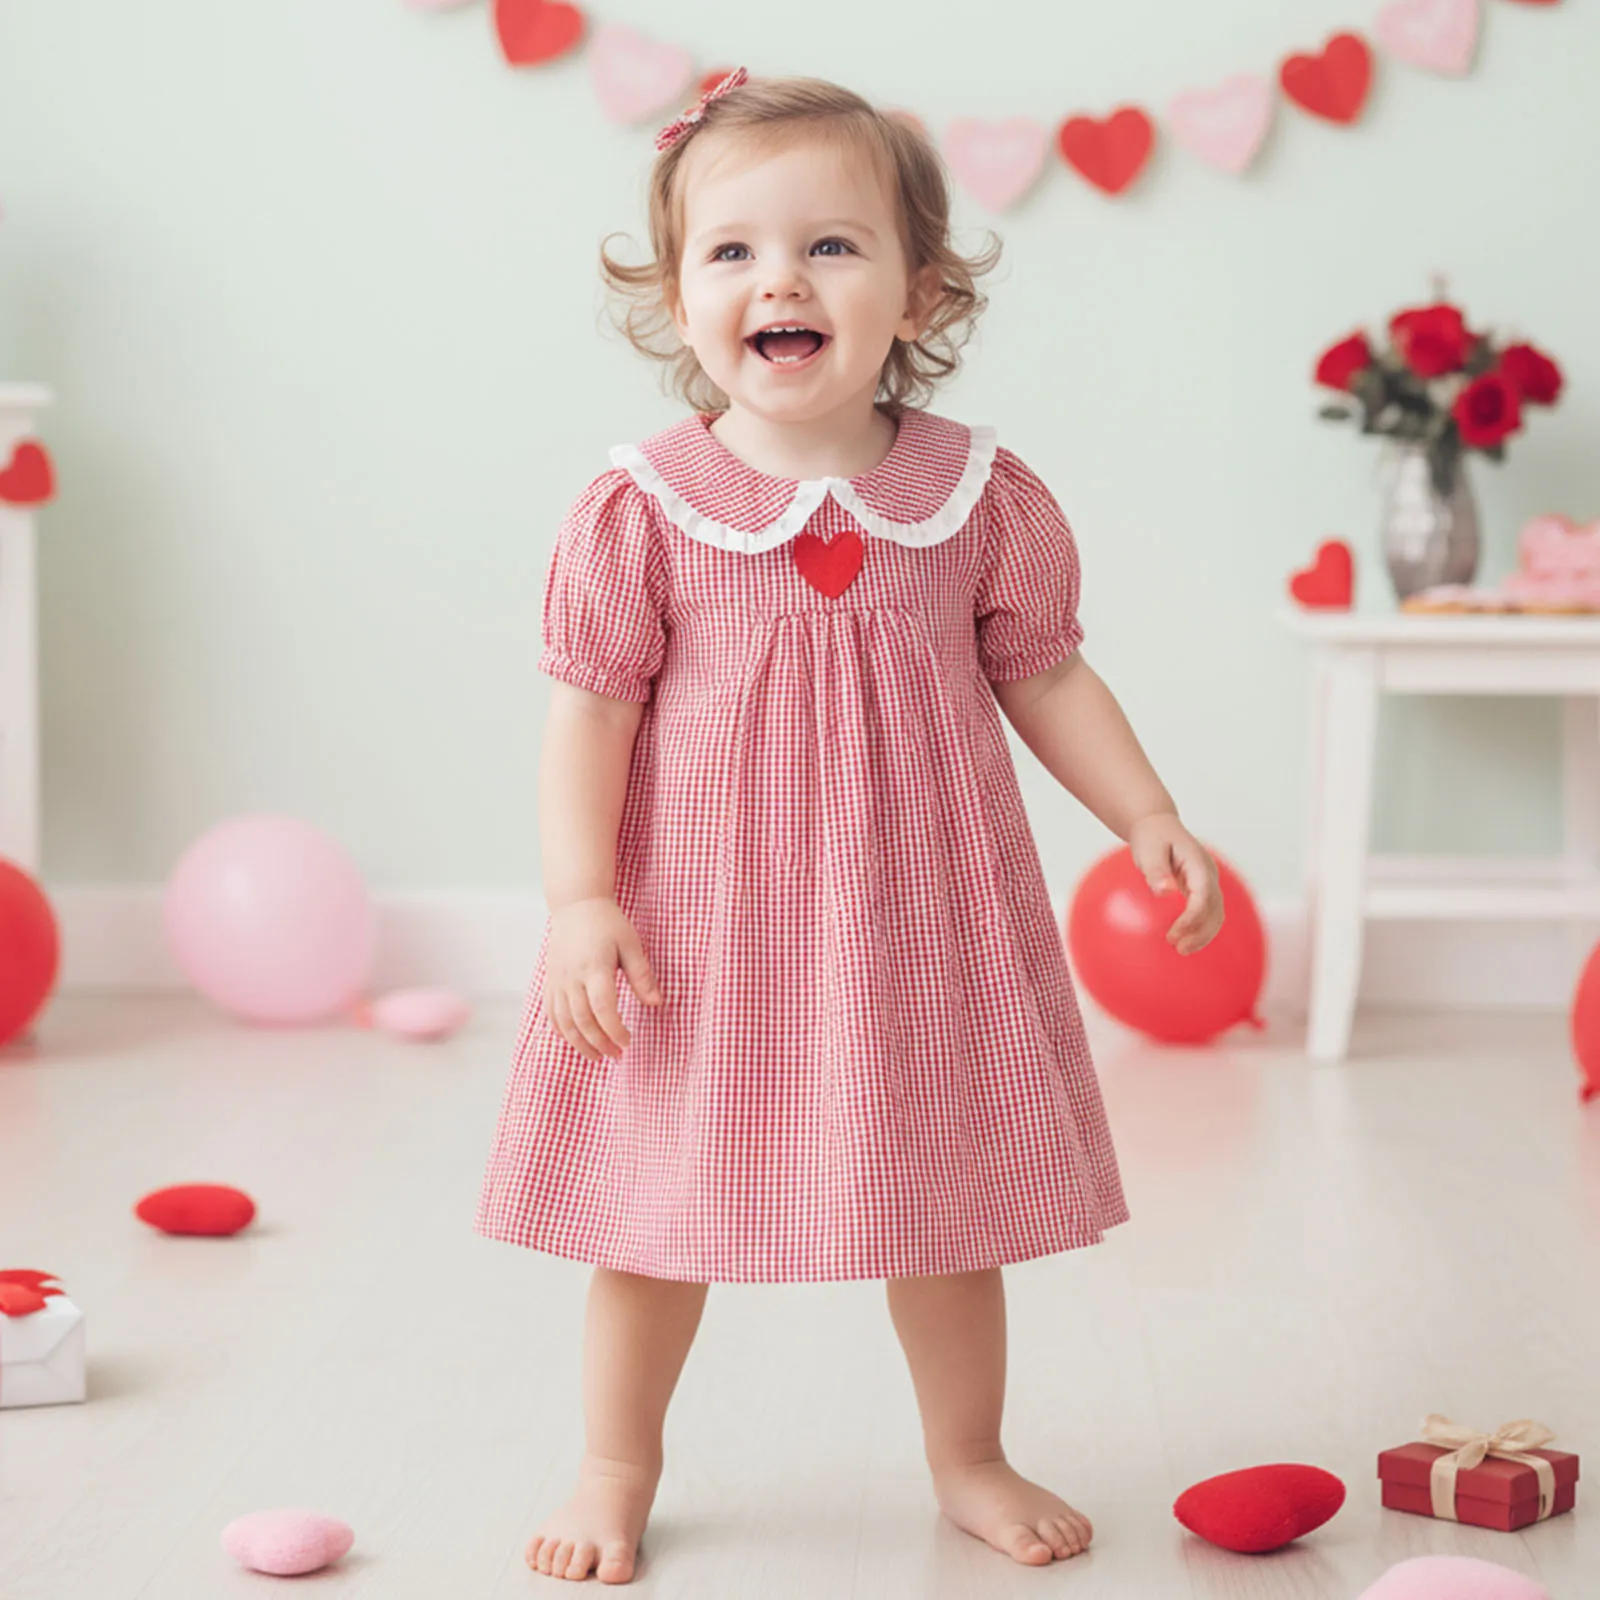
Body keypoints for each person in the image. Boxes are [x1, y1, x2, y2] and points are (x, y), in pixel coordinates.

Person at [475, 67, 1225, 1586]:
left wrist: (1143, 809)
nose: (781, 281)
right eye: (733, 252)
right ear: (675, 297)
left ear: (918, 290)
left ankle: (969, 1455)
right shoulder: (648, 506)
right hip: (703, 931)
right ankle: (617, 1463)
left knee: (946, 1208)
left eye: (830, 245)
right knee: (658, 1210)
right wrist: (579, 899)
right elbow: (592, 712)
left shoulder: (974, 494)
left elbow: (1043, 668)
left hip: (920, 921)